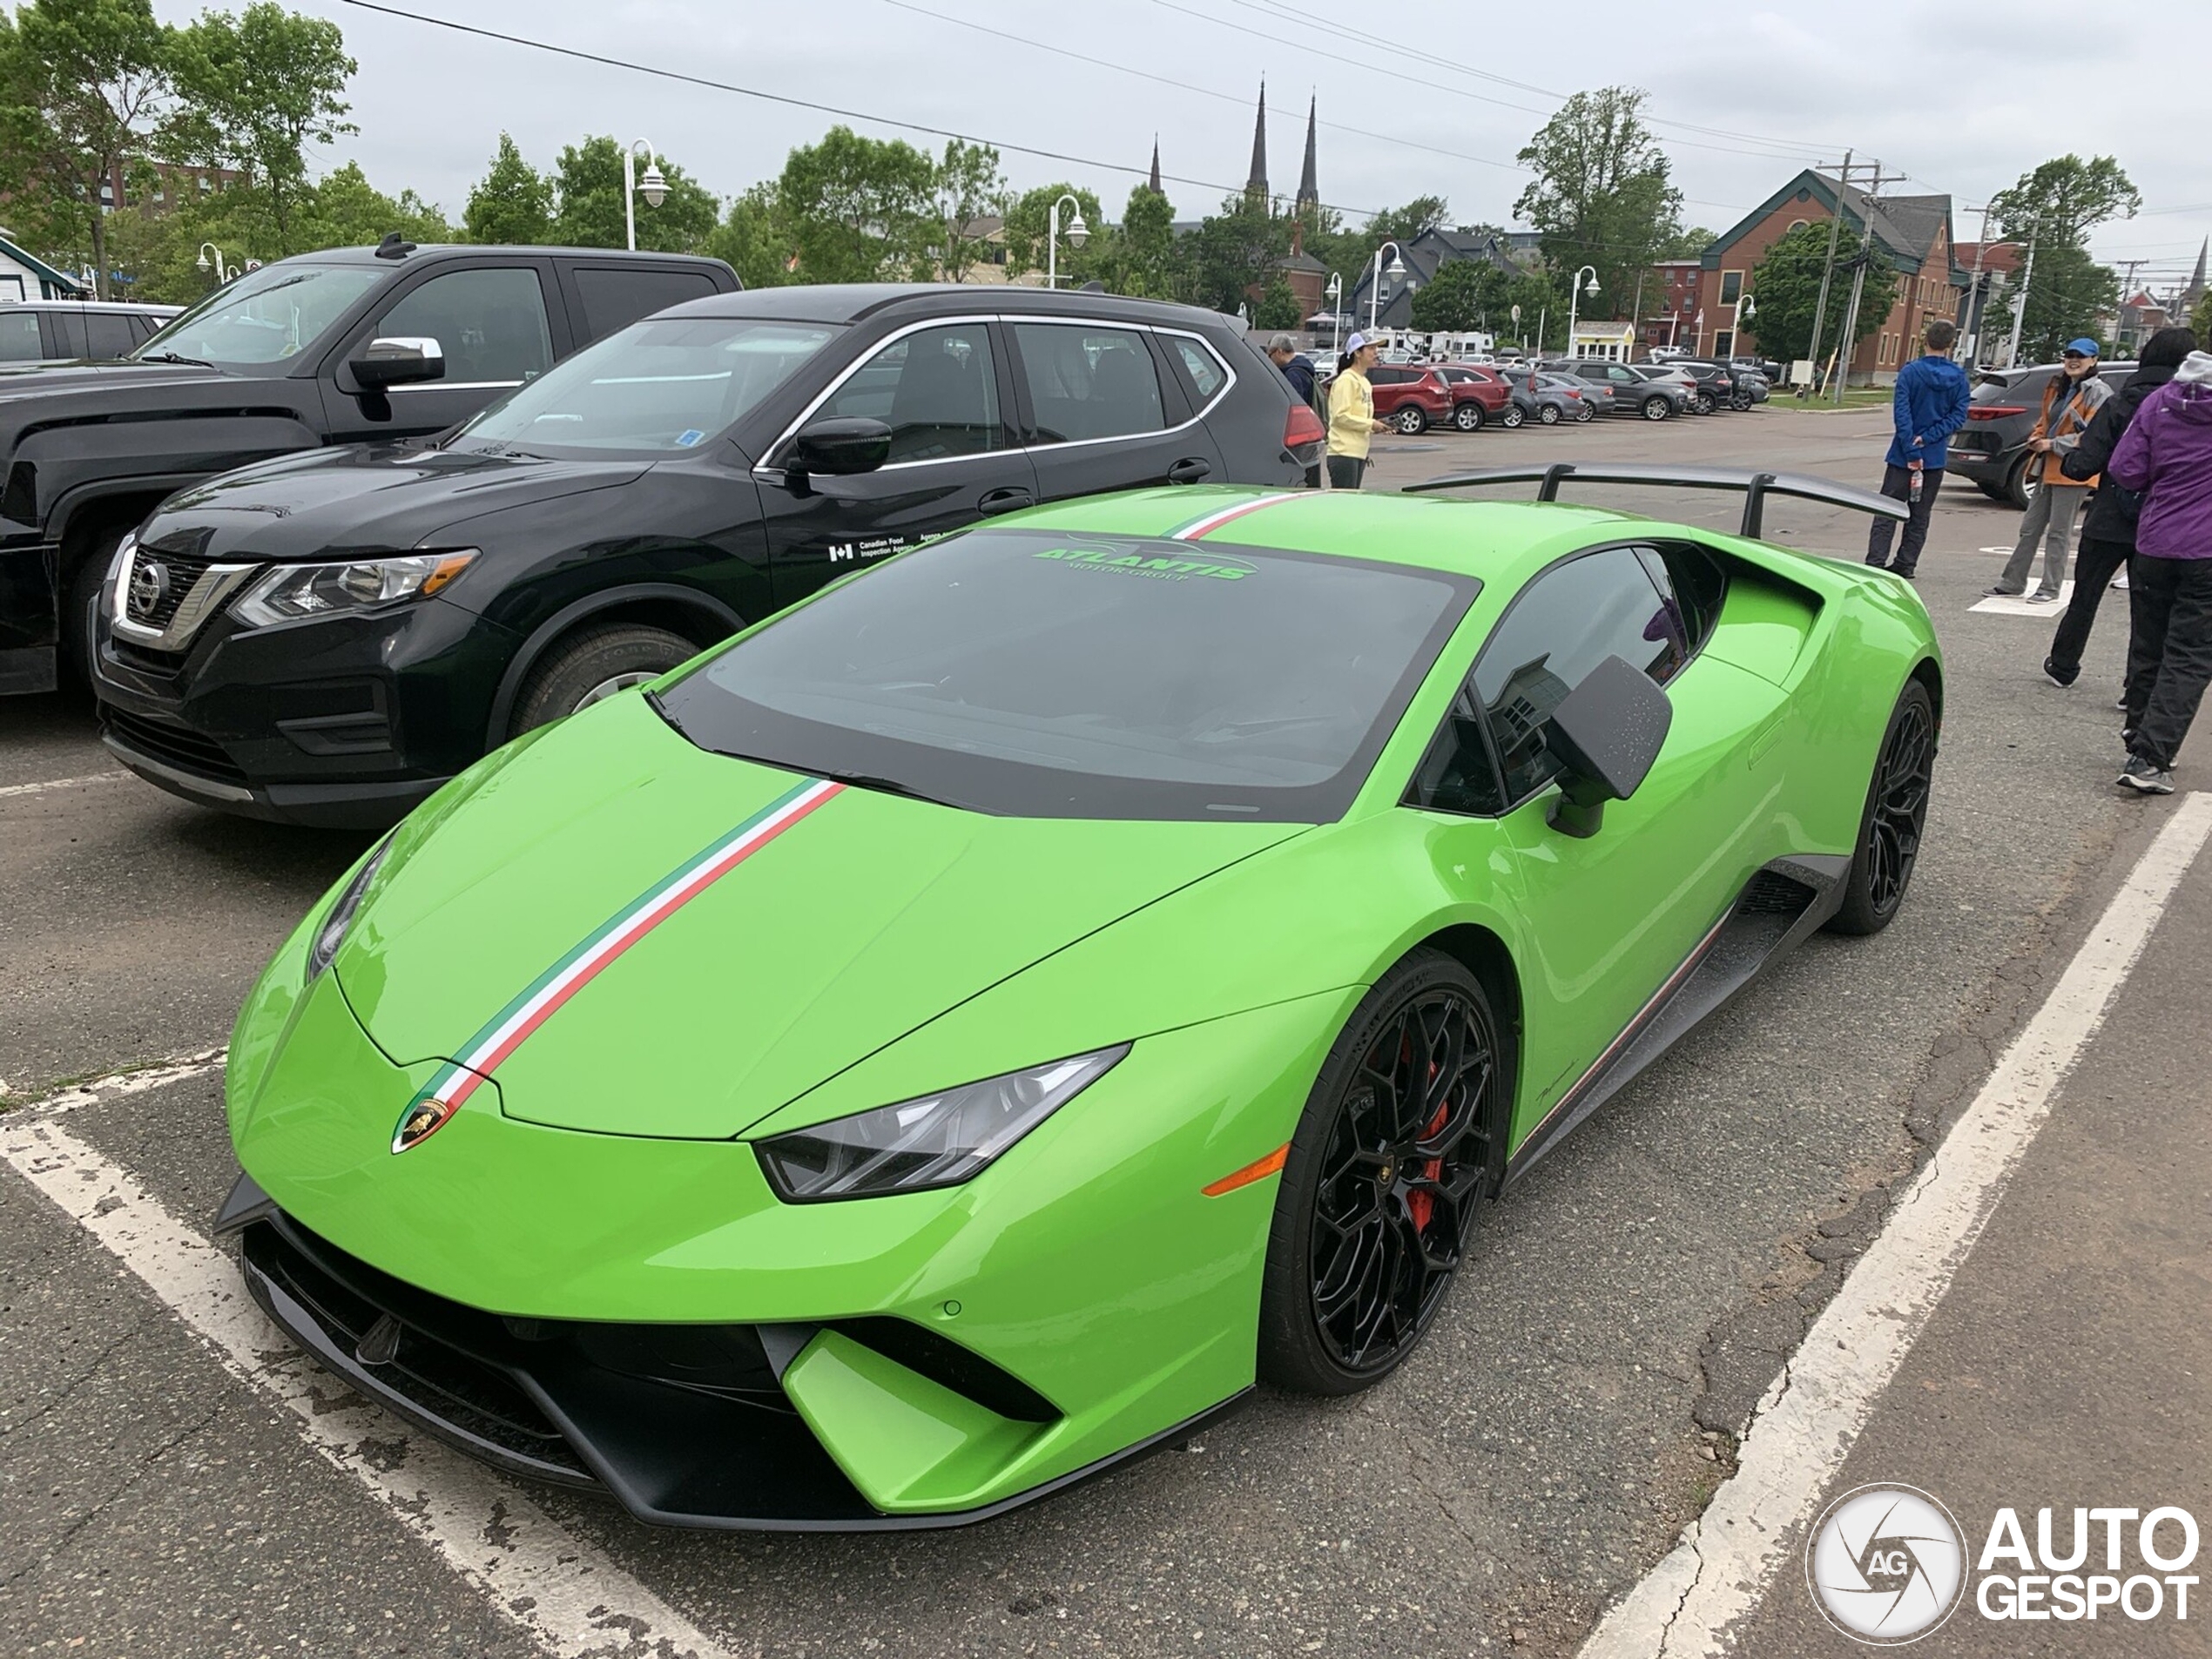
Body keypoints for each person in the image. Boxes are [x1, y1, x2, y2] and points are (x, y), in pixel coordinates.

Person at [2045, 327, 2199, 689]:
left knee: (2086, 593)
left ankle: (2064, 663)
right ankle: (2137, 686)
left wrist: (2070, 462)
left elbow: (2086, 463)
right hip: (2161, 521)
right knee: (2149, 608)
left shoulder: (2121, 402)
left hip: (2110, 514)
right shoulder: (2188, 409)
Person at [2107, 347, 2212, 792]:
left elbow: (2124, 468)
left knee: (2148, 642)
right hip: (2206, 549)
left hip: (2156, 540)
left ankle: (2138, 730)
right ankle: (2151, 755)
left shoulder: (2158, 402)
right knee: (2189, 654)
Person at [1989, 338, 2112, 601]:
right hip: (2046, 468)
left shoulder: (2099, 392)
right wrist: (2036, 437)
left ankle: (2050, 588)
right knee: (2030, 528)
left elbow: (2091, 437)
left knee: (2059, 532)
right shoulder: (2058, 386)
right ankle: (2012, 582)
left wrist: (2052, 444)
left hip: (2074, 472)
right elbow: (2045, 421)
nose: (2073, 360)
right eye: (2069, 354)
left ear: (2094, 361)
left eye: (2080, 355)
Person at [1866, 318, 1971, 578]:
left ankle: (1876, 562)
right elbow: (1957, 417)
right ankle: (1906, 563)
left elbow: (1902, 415)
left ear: (1925, 340)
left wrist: (1912, 446)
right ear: (1950, 344)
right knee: (1920, 514)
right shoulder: (1959, 379)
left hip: (1902, 456)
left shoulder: (1910, 373)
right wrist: (1928, 439)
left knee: (1886, 510)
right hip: (1933, 458)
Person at [1325, 333, 1391, 491]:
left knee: (1352, 502)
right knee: (1344, 505)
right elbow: (1340, 417)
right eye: (1371, 348)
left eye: (1376, 348)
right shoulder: (1346, 380)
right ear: (1357, 353)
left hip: (1358, 453)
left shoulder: (1365, 382)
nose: (1376, 352)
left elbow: (1359, 418)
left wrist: (1379, 425)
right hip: (1343, 453)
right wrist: (1371, 424)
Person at [1267, 334, 1318, 407]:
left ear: (1279, 352)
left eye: (1270, 355)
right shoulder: (1305, 366)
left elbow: (1293, 404)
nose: (1270, 359)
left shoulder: (1292, 374)